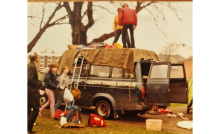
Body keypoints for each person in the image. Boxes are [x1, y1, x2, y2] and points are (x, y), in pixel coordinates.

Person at [28, 52, 39, 133]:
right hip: (31, 90)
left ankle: (28, 129)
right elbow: (29, 79)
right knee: (35, 110)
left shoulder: (28, 65)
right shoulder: (32, 67)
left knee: (28, 109)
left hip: (27, 90)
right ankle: (28, 127)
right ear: (36, 59)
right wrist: (37, 84)